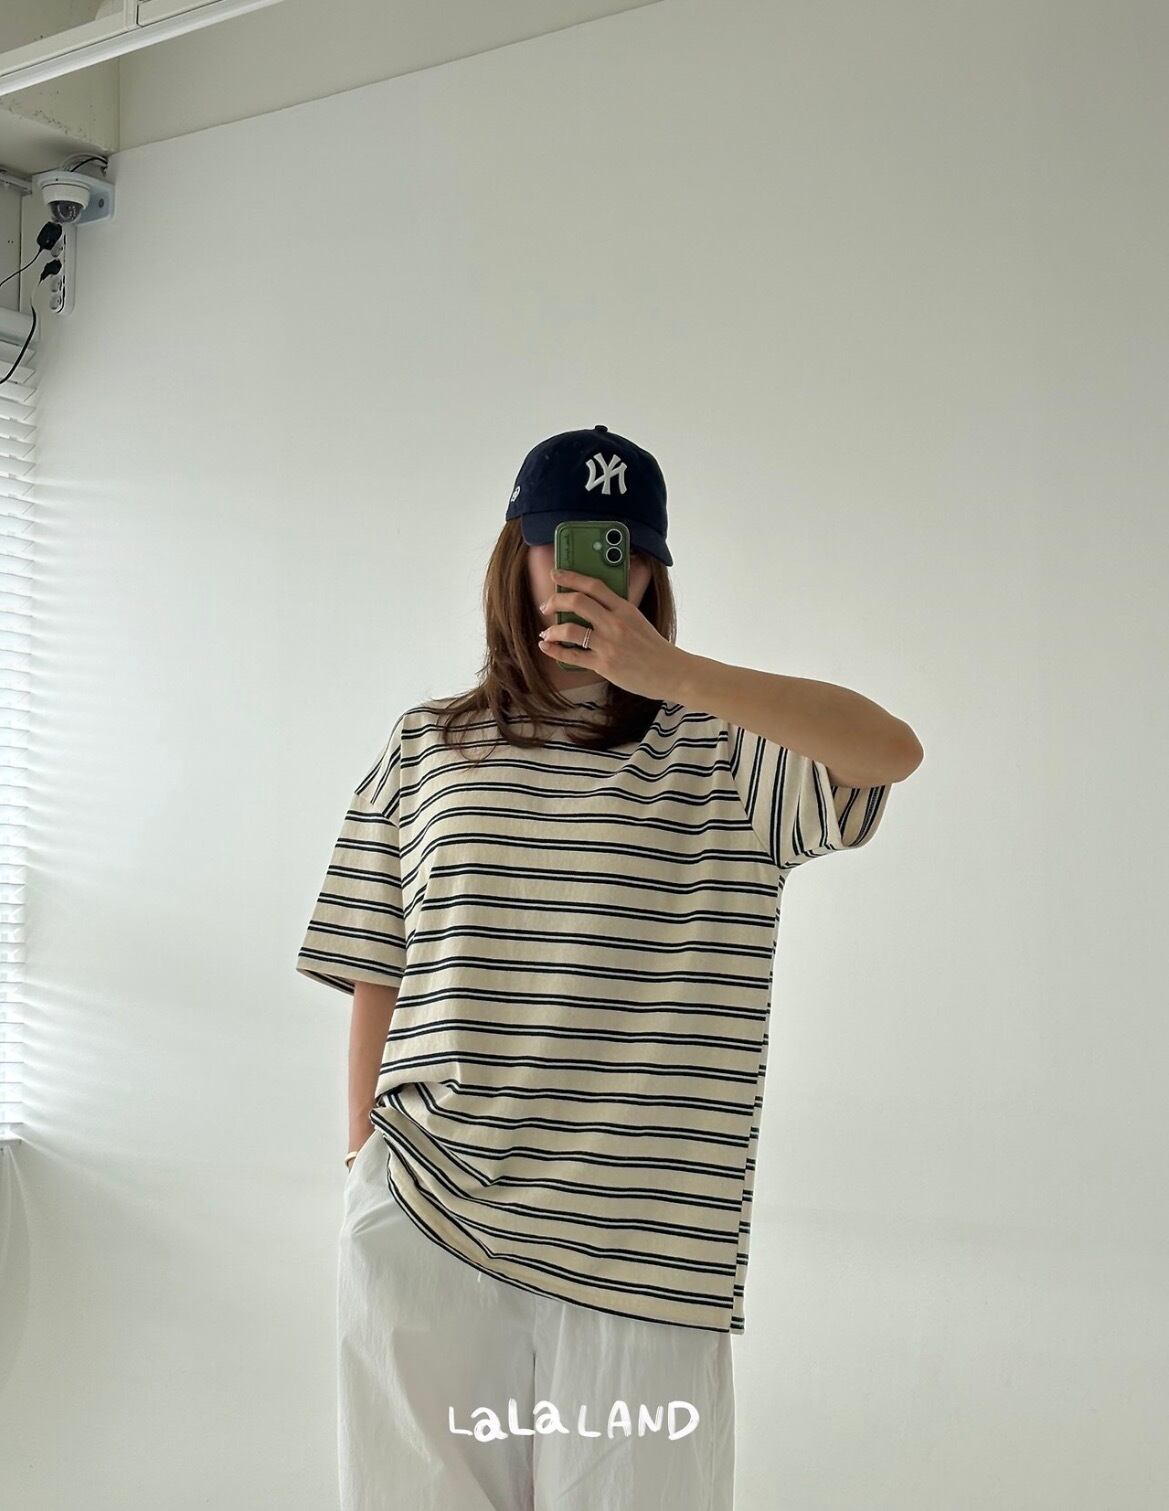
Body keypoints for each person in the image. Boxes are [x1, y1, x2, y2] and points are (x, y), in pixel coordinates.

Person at [295, 424, 923, 1510]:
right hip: (427, 1217)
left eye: (621, 551)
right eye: (565, 543)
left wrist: (668, 673)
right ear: (516, 555)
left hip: (643, 1246)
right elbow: (376, 964)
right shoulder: (426, 746)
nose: (591, 572)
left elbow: (888, 750)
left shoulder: (722, 751)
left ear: (652, 571)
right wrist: (361, 1163)